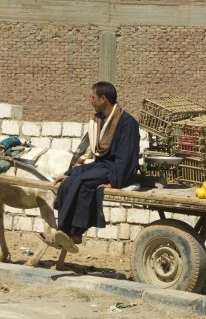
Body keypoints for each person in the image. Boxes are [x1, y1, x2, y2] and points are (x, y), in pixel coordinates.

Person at [52, 81, 140, 252]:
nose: (90, 100)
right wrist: (69, 172)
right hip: (101, 165)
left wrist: (114, 182)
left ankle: (74, 232)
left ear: (103, 99)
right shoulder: (99, 121)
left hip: (115, 170)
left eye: (93, 97)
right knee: (69, 181)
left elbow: (126, 157)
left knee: (83, 182)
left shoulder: (127, 123)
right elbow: (92, 153)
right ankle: (65, 232)